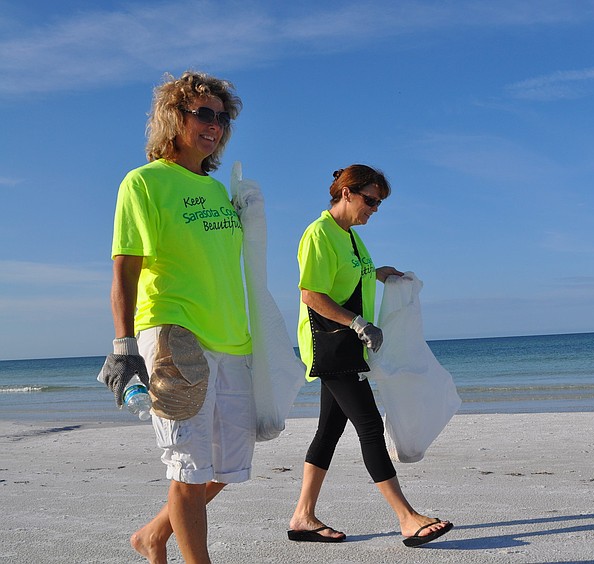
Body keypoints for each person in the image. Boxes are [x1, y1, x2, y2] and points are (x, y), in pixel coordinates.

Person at [99, 71, 254, 564]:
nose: (214, 125)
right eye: (202, 113)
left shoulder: (216, 192)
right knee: (188, 467)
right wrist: (124, 347)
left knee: (228, 467)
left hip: (231, 338)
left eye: (222, 117)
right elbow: (125, 270)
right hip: (173, 332)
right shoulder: (144, 183)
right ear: (174, 117)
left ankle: (152, 534)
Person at [287, 164, 454, 548]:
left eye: (378, 204)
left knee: (328, 431)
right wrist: (359, 322)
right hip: (330, 346)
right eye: (371, 200)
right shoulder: (319, 234)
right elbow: (311, 293)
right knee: (369, 425)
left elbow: (344, 276)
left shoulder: (351, 237)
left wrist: (378, 273)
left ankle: (303, 516)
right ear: (347, 193)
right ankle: (407, 517)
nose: (374, 209)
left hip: (348, 345)